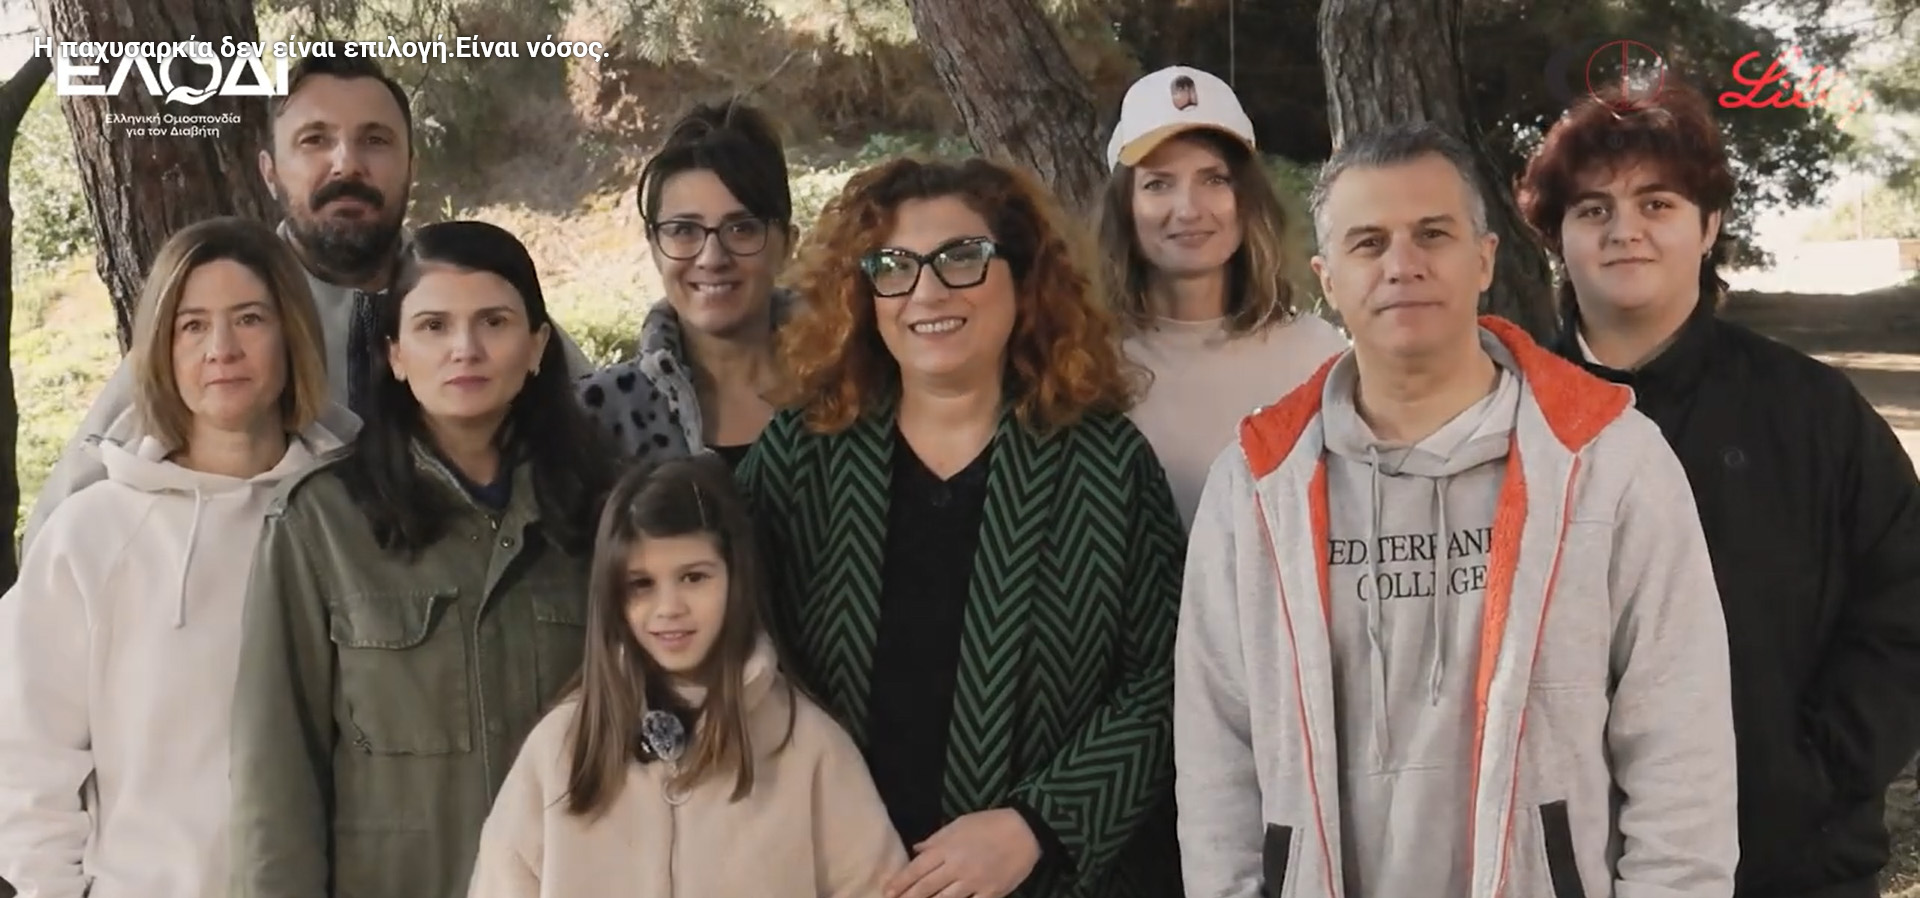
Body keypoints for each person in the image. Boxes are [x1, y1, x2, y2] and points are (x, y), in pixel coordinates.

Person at [1174, 121, 1739, 898]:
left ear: (1484, 260)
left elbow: (1680, 742)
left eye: (1432, 234)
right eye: (1368, 243)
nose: (1402, 265)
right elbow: (1216, 753)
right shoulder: (1254, 484)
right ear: (1326, 278)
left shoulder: (1608, 460)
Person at [737, 156, 1186, 898]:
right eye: (893, 267)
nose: (927, 291)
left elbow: (1168, 679)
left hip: (1046, 881)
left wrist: (1037, 825)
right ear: (864, 293)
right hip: (838, 873)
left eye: (962, 258)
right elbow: (730, 649)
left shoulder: (1105, 463)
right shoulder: (802, 454)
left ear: (1024, 277)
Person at [1519, 82, 1920, 898]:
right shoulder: (1504, 419)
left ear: (1707, 227)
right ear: (1557, 237)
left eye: (1657, 203)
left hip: (1788, 867)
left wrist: (1809, 774)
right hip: (1558, 870)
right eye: (1593, 210)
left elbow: (1905, 604)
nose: (1625, 230)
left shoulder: (1810, 411)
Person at [22, 48, 592, 549]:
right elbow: (60, 536)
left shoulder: (477, 303)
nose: (347, 164)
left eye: (375, 140)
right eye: (315, 140)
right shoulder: (213, 333)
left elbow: (602, 455)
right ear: (270, 171)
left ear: (411, 167)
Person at [227, 221, 620, 898]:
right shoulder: (321, 522)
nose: (465, 349)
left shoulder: (605, 510)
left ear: (537, 347)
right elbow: (276, 773)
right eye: (433, 326)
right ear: (396, 354)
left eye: (494, 322)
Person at [0, 217, 343, 898]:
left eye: (249, 319)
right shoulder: (91, 536)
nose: (222, 349)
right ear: (160, 347)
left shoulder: (354, 517)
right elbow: (23, 757)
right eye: (192, 326)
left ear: (292, 334)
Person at [466, 454, 907, 898]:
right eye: (641, 584)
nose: (669, 608)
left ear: (735, 578)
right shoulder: (559, 747)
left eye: (694, 578)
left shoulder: (808, 745)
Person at [1096, 65, 1349, 530]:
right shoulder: (1086, 364)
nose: (1189, 209)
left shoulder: (1319, 357)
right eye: (1158, 183)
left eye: (1214, 179)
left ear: (1247, 198)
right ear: (1124, 208)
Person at [578, 100, 799, 469]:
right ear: (654, 247)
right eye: (683, 230)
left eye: (741, 229)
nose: (712, 258)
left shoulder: (849, 390)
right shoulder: (598, 416)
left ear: (788, 245)